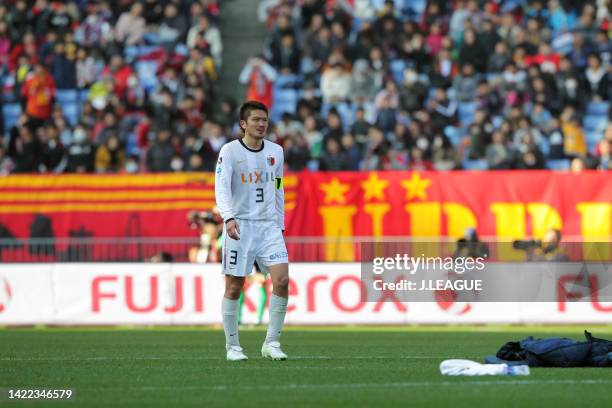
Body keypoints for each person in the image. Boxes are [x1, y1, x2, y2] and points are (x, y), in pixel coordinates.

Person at [215, 100, 289, 361]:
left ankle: (272, 342)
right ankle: (233, 346)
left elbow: (278, 184)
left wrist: (280, 223)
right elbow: (221, 186)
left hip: (269, 226)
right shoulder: (230, 151)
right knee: (235, 286)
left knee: (281, 281)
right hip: (241, 225)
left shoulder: (276, 152)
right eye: (256, 120)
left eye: (264, 120)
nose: (261, 124)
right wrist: (228, 218)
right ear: (243, 124)